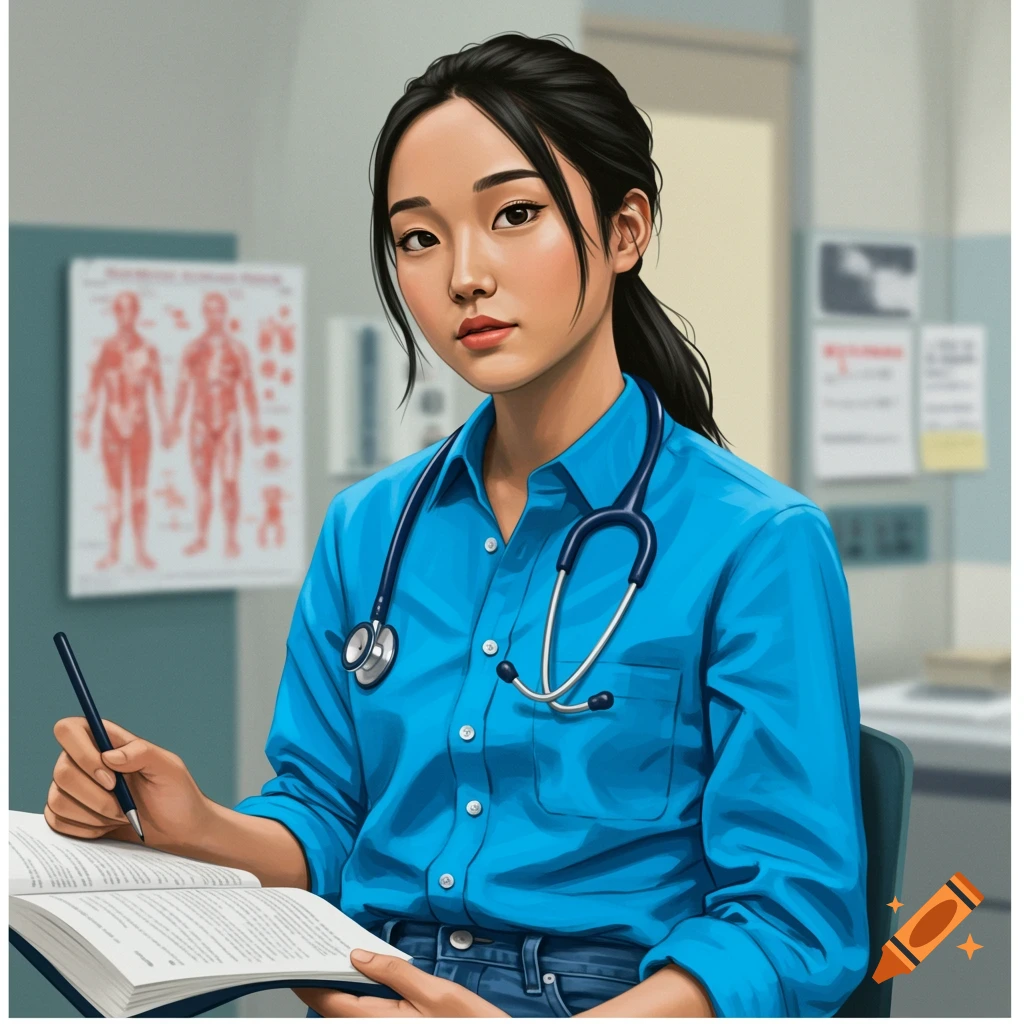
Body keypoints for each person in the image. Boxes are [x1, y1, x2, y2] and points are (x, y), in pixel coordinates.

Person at [45, 32, 870, 1018]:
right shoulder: (369, 530)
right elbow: (326, 815)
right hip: (366, 985)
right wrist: (191, 825)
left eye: (514, 215)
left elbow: (794, 918)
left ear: (624, 230)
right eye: (418, 237)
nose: (463, 276)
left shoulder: (754, 543)